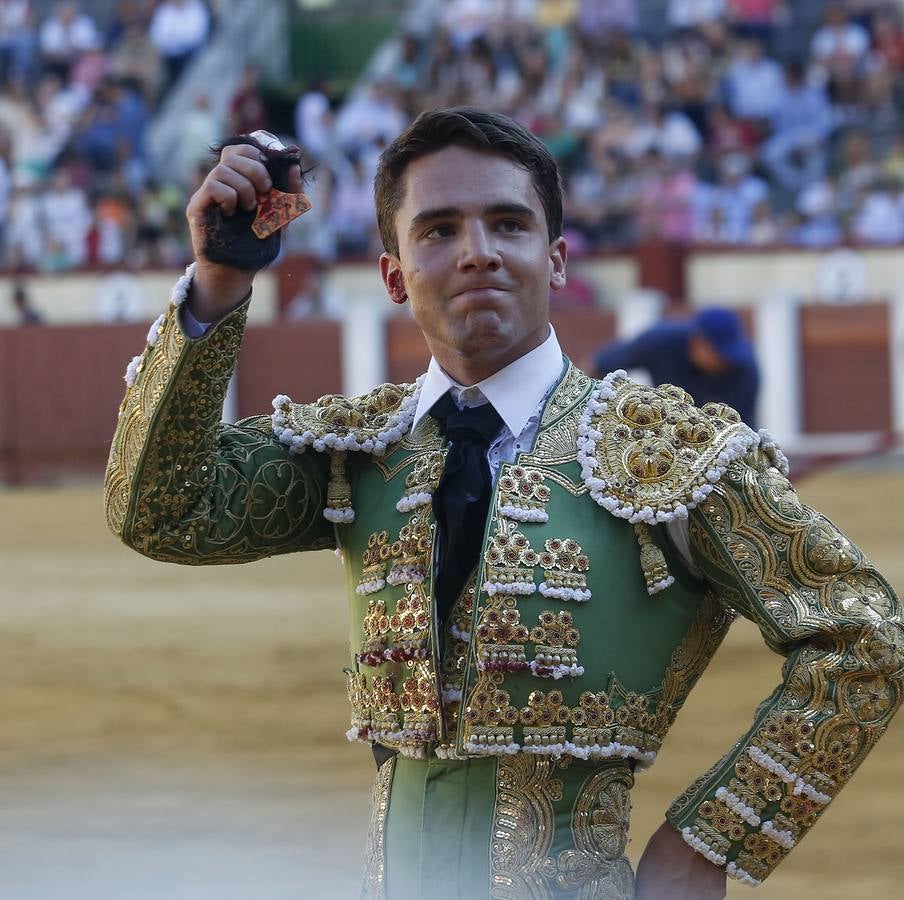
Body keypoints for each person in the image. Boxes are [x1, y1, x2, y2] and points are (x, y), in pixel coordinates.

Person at [104, 108, 902, 899]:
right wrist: (217, 283)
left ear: (554, 260)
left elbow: (864, 635)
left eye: (509, 225)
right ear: (393, 274)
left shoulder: (670, 456)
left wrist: (708, 842)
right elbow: (163, 511)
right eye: (439, 230)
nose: (478, 252)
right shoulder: (359, 453)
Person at [591, 306, 759, 427]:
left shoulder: (742, 367)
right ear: (698, 343)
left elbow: (742, 425)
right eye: (718, 353)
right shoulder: (661, 342)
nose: (724, 361)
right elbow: (600, 366)